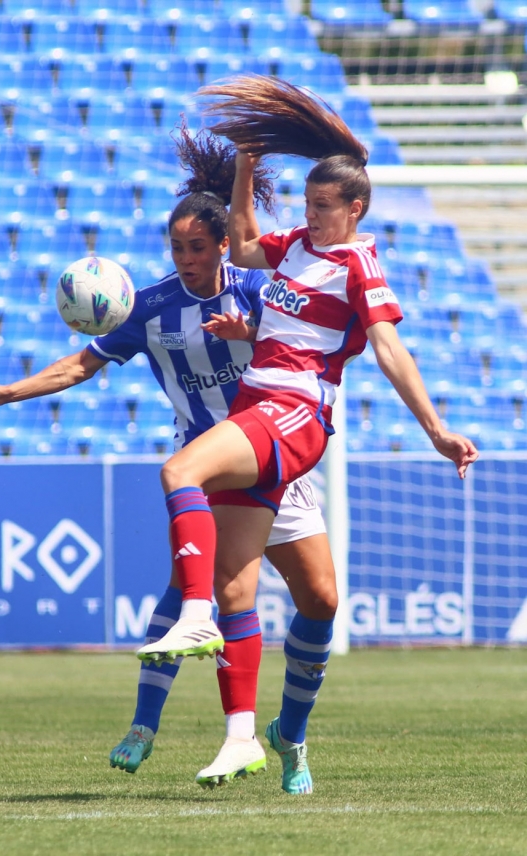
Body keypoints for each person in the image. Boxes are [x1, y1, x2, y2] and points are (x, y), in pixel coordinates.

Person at [0, 124, 340, 795]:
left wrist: (251, 333)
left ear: (223, 243)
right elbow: (79, 365)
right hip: (212, 471)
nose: (186, 259)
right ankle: (167, 727)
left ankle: (290, 733)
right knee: (220, 594)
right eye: (176, 248)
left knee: (322, 601)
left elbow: (303, 350)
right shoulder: (150, 306)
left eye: (197, 247)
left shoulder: (256, 291)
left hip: (277, 460)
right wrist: (9, 390)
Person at [135, 75, 480, 780]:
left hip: (293, 415)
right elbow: (249, 240)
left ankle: (192, 614)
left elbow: (387, 348)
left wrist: (434, 429)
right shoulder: (294, 249)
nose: (314, 216)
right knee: (277, 592)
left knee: (179, 472)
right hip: (257, 410)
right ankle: (260, 736)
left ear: (355, 209)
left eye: (325, 207)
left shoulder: (358, 262)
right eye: (308, 204)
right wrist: (244, 174)